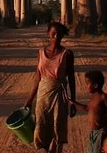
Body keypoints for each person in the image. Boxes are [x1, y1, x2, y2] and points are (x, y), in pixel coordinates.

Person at [23, 22, 76, 153]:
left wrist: (73, 101)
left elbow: (71, 78)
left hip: (59, 95)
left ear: (63, 35)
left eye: (59, 34)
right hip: (42, 95)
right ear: (48, 34)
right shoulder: (40, 52)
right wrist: (29, 100)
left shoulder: (67, 53)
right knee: (41, 124)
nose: (56, 36)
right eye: (53, 34)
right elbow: (37, 78)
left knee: (58, 125)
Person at [69, 70, 107, 153]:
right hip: (93, 132)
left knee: (98, 150)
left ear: (95, 85)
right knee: (92, 150)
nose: (86, 86)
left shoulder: (103, 96)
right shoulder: (93, 97)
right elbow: (87, 108)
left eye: (87, 84)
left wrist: (103, 119)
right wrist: (74, 103)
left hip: (102, 131)